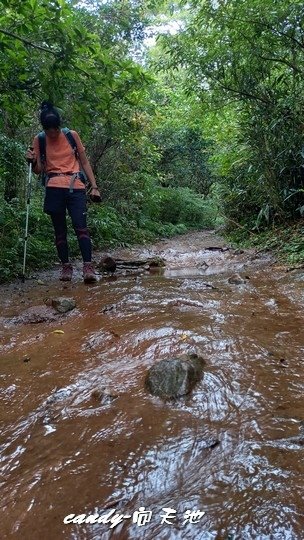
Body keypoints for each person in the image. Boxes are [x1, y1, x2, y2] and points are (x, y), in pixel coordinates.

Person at [26, 101, 101, 283]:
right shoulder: (40, 139)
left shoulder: (71, 135)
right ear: (44, 127)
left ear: (59, 125)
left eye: (55, 129)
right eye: (49, 129)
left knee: (80, 226)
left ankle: (88, 267)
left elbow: (84, 161)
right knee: (59, 231)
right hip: (53, 186)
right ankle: (66, 267)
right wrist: (32, 160)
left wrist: (95, 186)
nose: (52, 133)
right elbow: (39, 170)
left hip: (76, 187)